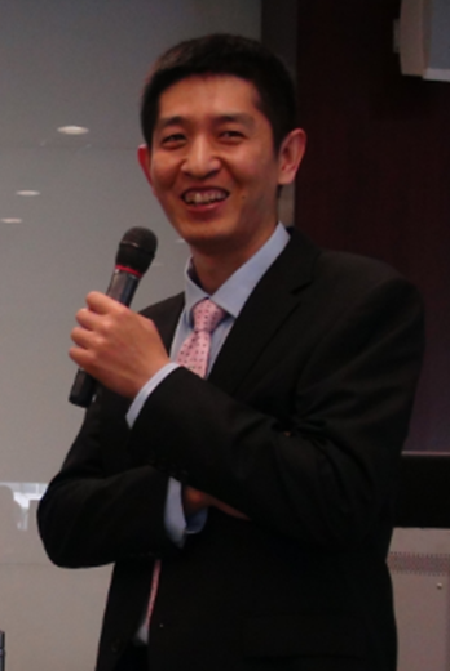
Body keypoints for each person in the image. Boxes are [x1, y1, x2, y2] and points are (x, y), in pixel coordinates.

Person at [37, 33, 424, 671]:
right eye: (175, 139)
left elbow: (337, 498)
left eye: (229, 135)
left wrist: (157, 383)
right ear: (148, 166)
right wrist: (188, 493)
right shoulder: (149, 327)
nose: (198, 162)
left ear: (288, 156)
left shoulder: (363, 300)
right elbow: (65, 521)